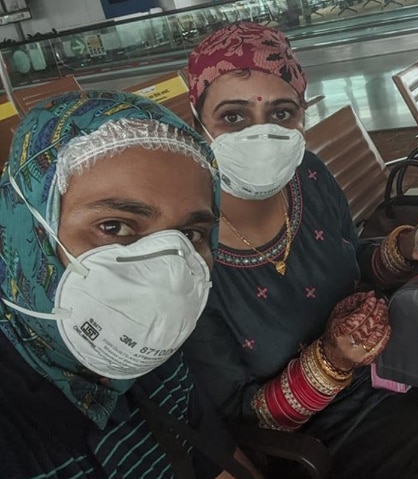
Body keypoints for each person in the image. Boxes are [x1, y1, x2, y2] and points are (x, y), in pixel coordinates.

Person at [182, 22, 418, 478]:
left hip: (400, 356)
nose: (261, 135)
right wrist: (332, 359)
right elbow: (241, 420)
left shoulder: (307, 174)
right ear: (196, 123)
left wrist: (410, 246)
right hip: (334, 430)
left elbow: (350, 261)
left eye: (283, 113)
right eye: (233, 117)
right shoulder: (189, 261)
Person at [0, 90, 251, 479]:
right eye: (114, 227)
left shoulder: (151, 357)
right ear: (30, 230)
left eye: (191, 234)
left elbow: (220, 466)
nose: (165, 276)